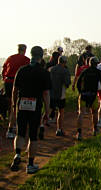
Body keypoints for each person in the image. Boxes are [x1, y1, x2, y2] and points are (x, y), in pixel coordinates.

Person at [9, 46, 51, 174]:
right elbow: (45, 94)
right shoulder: (44, 72)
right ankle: (30, 165)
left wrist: (14, 104)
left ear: (31, 55)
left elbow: (14, 90)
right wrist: (47, 111)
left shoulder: (22, 70)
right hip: (35, 105)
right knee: (33, 136)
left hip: (22, 103)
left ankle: (17, 155)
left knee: (20, 133)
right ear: (41, 56)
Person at [3, 44, 30, 140]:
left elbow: (4, 69)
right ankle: (12, 127)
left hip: (8, 82)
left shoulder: (10, 58)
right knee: (16, 105)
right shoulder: (26, 60)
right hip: (17, 83)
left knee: (11, 103)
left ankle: (12, 123)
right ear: (25, 50)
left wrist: (4, 79)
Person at [76, 57, 101, 140]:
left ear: (89, 63)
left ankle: (79, 133)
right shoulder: (99, 72)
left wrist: (80, 92)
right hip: (93, 95)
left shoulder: (85, 71)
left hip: (84, 94)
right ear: (96, 64)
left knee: (81, 113)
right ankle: (95, 129)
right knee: (94, 112)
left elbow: (78, 82)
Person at [47, 56, 71, 136]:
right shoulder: (65, 71)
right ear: (64, 62)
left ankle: (41, 125)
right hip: (61, 94)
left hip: (51, 93)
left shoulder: (50, 69)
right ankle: (59, 129)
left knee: (48, 110)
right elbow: (67, 83)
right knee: (61, 112)